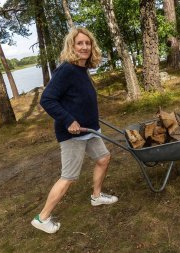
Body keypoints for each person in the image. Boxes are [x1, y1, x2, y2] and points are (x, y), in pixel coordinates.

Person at [31, 27, 118, 234]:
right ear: (72, 46)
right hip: (72, 134)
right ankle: (42, 218)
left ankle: (96, 197)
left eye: (87, 43)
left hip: (89, 130)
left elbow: (76, 99)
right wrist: (68, 120)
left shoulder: (81, 69)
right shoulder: (66, 69)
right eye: (80, 43)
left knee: (104, 158)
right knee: (68, 176)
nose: (84, 47)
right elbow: (47, 99)